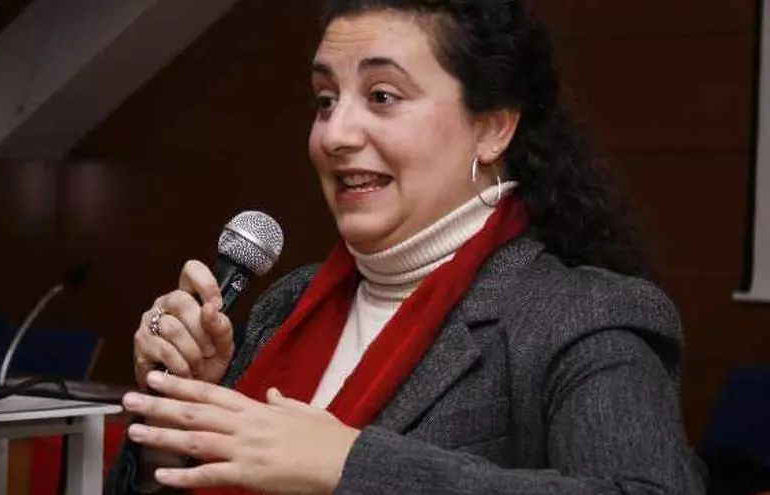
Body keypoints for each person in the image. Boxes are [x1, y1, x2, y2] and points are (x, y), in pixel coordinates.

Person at [106, 0, 707, 493]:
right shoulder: (287, 302)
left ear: (493, 127)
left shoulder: (583, 315)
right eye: (325, 100)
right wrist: (175, 423)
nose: (336, 135)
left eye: (382, 96)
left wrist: (350, 464)